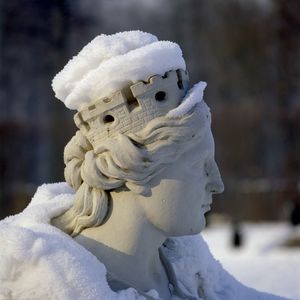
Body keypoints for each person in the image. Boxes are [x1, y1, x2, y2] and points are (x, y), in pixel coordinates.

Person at [0, 31, 286, 300]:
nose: (217, 183)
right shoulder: (42, 282)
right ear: (132, 164)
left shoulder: (188, 265)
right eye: (200, 165)